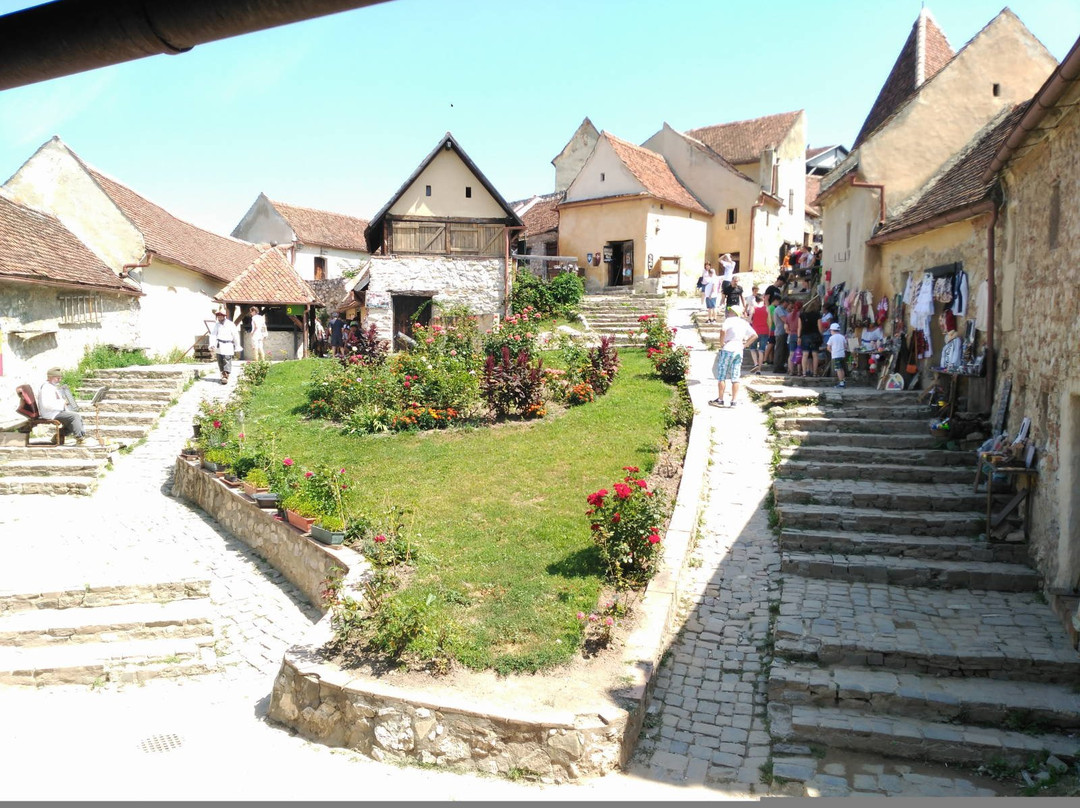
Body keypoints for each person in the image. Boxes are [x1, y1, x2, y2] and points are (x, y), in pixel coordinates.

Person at [710, 308, 758, 408]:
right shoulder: (743, 322)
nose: (728, 313)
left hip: (728, 348)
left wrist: (721, 343)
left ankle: (720, 399)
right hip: (739, 349)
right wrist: (745, 345)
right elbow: (754, 335)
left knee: (722, 375)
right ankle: (734, 401)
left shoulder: (729, 320)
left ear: (733, 312)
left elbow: (723, 330)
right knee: (735, 376)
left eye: (729, 311)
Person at [38, 367, 86, 443]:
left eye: (60, 378)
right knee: (74, 417)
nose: (59, 380)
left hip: (56, 411)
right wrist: (63, 403)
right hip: (50, 413)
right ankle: (79, 438)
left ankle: (59, 435)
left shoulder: (51, 387)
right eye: (57, 378)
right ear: (51, 377)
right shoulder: (46, 388)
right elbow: (46, 405)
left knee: (76, 418)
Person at [209, 308, 240, 385]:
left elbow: (235, 335)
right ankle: (223, 374)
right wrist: (212, 344)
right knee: (220, 360)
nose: (219, 318)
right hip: (219, 345)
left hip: (228, 345)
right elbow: (213, 335)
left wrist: (237, 345)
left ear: (224, 316)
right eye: (218, 317)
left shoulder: (230, 324)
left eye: (220, 317)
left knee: (227, 359)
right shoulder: (217, 325)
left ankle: (225, 376)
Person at [749, 293, 769, 373]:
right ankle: (759, 370)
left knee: (752, 348)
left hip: (755, 331)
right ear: (763, 300)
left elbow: (749, 320)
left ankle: (755, 363)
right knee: (761, 350)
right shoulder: (766, 308)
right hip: (765, 330)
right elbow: (769, 320)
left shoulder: (753, 308)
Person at [826, 322, 847, 388]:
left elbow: (828, 347)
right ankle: (843, 381)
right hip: (842, 354)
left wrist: (832, 351)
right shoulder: (842, 337)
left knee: (838, 369)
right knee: (841, 368)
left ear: (832, 330)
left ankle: (841, 383)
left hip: (836, 355)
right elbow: (845, 346)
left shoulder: (831, 338)